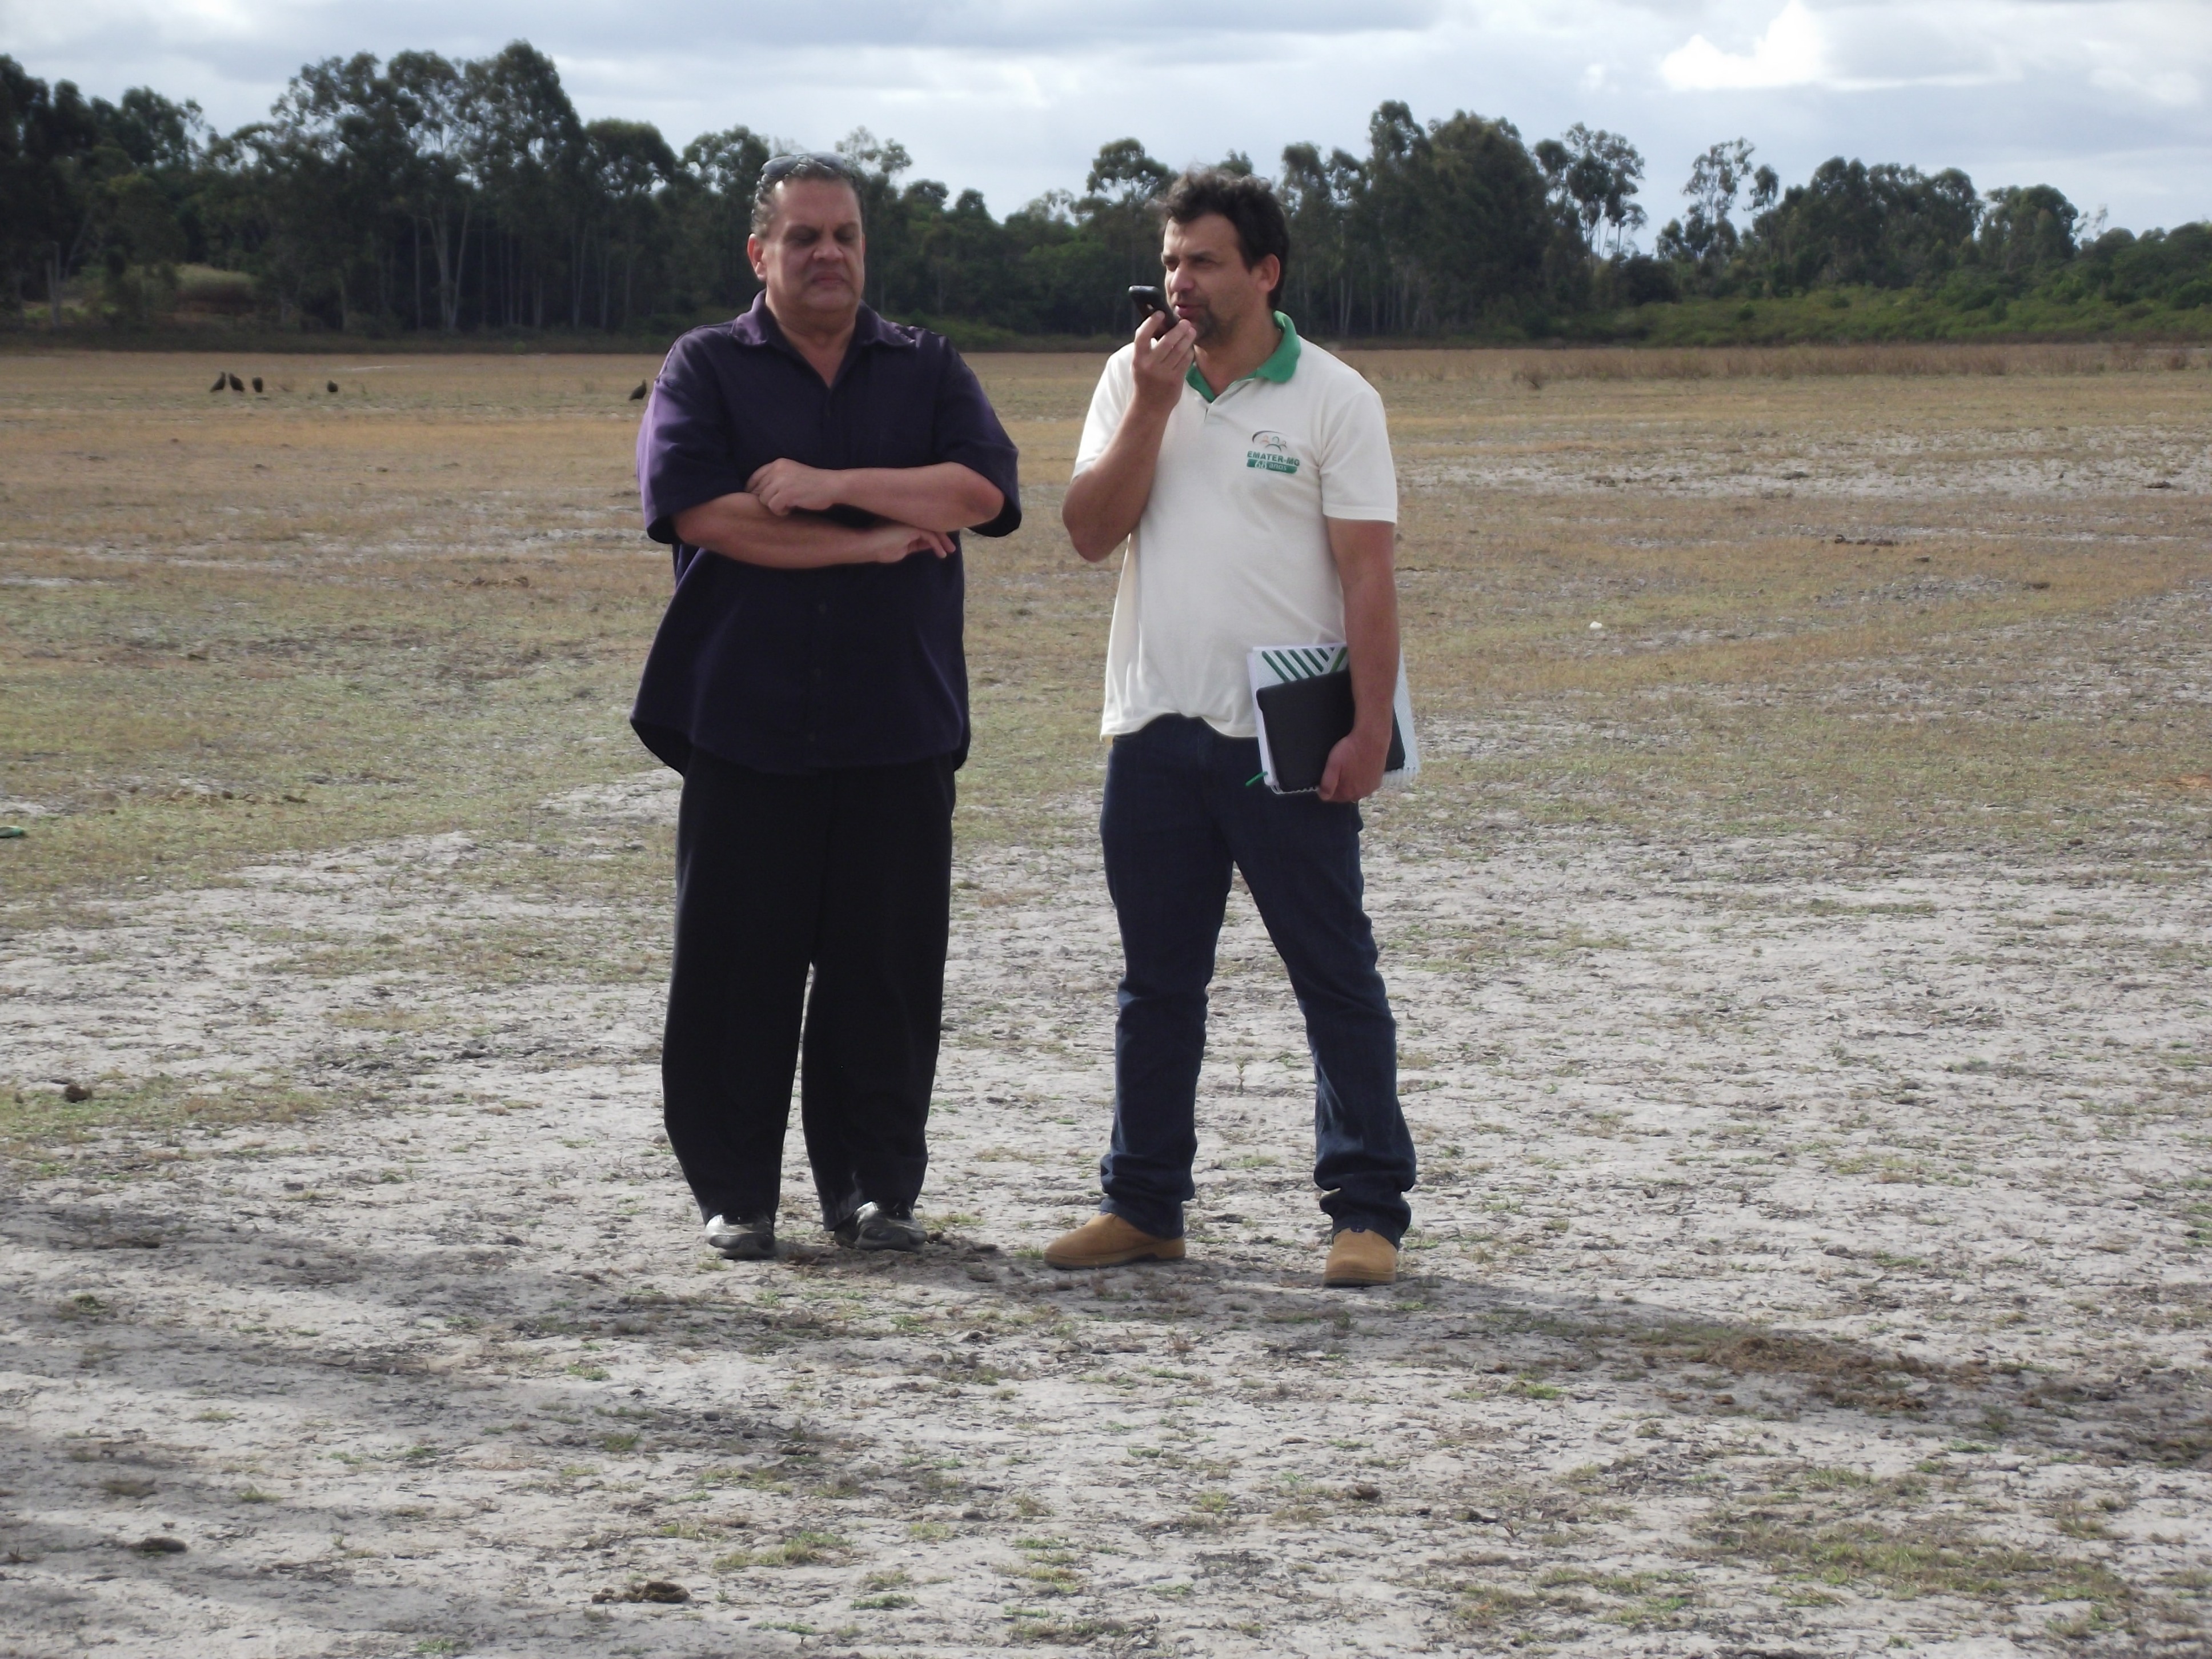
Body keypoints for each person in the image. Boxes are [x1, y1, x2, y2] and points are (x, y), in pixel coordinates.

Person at [631, 153, 1021, 1261]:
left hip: (897, 721)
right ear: (760, 254)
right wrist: (877, 544)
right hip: (744, 718)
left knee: (886, 974)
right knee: (734, 969)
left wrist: (833, 485)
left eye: (844, 235)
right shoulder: (705, 366)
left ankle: (870, 1191)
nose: (826, 255)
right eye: (802, 237)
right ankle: (737, 1196)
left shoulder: (926, 366)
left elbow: (980, 493)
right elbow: (706, 517)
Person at [1047, 169, 1414, 1289]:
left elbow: (1368, 578)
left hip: (1285, 741)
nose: (1180, 282)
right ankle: (1144, 1203)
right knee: (1157, 985)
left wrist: (1362, 731)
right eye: (1170, 261)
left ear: (1265, 272)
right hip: (1152, 726)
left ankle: (1365, 1212)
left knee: (1330, 972)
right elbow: (1088, 535)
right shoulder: (1131, 377)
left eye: (1204, 261)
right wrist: (1156, 406)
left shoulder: (1335, 400)